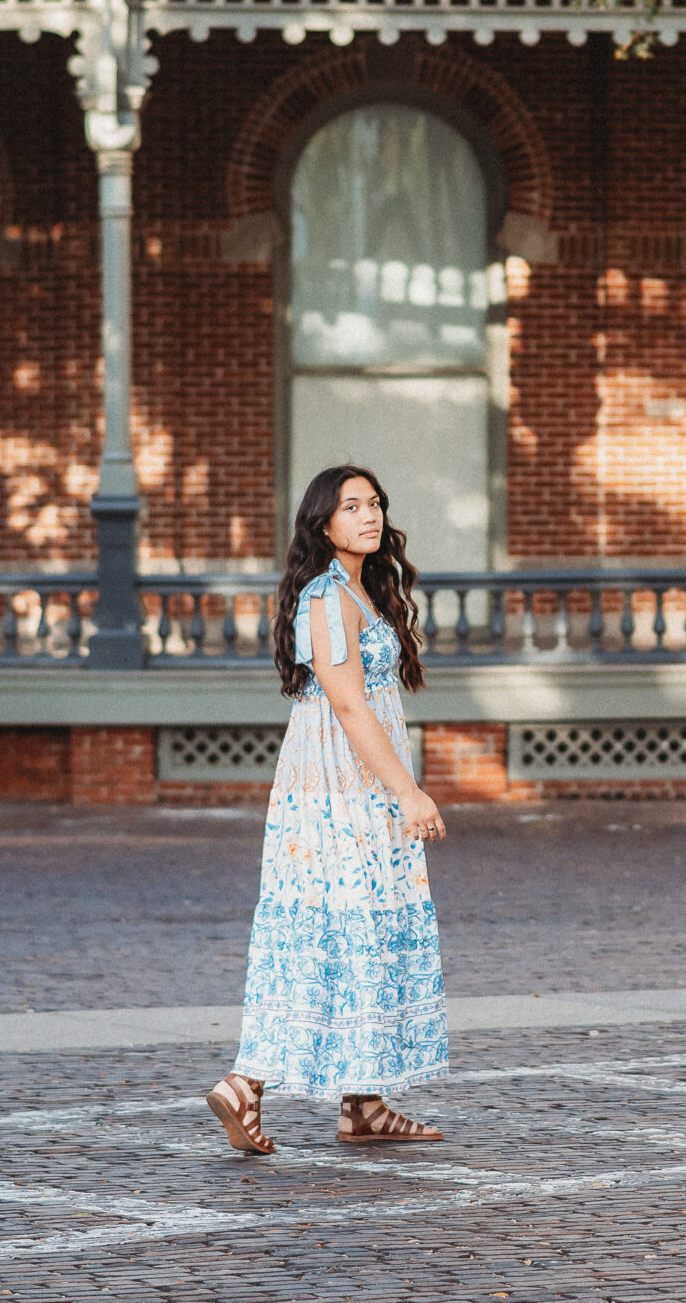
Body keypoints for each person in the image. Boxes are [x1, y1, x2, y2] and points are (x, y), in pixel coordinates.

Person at [206, 464, 450, 1151]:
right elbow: (346, 702)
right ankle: (245, 1084)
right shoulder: (327, 596)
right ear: (323, 522)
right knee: (325, 928)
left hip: (356, 781)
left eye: (375, 502)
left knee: (360, 926)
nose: (369, 515)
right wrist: (407, 789)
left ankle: (364, 1101)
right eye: (352, 505)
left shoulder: (361, 590)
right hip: (340, 790)